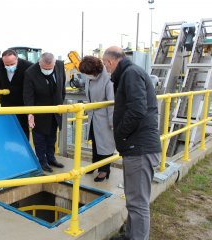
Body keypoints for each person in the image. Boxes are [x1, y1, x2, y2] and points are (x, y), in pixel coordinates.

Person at [102, 46, 161, 240]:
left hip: (139, 147)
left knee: (138, 202)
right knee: (134, 198)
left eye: (105, 65)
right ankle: (131, 235)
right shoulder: (131, 72)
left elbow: (137, 109)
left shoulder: (131, 74)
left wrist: (120, 133)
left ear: (110, 61)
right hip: (138, 145)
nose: (106, 69)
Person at [23, 53, 66, 173]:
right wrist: (30, 113)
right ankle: (42, 161)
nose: (47, 70)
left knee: (52, 136)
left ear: (54, 63)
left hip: (55, 110)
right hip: (39, 111)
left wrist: (60, 104)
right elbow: (28, 95)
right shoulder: (30, 72)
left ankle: (51, 158)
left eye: (50, 68)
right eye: (45, 68)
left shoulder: (60, 66)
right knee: (40, 138)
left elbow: (62, 87)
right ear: (39, 63)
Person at [79, 56, 116, 182]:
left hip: (105, 117)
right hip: (93, 116)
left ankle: (104, 170)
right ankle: (95, 164)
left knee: (105, 144)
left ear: (95, 71)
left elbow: (112, 102)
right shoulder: (90, 78)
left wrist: (112, 122)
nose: (87, 76)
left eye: (88, 74)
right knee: (95, 142)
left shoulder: (108, 78)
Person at [0, 49, 32, 139]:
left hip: (21, 103)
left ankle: (23, 149)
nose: (9, 66)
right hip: (6, 102)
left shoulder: (28, 66)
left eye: (12, 64)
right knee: (6, 127)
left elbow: (29, 87)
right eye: (6, 65)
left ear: (17, 59)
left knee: (22, 129)